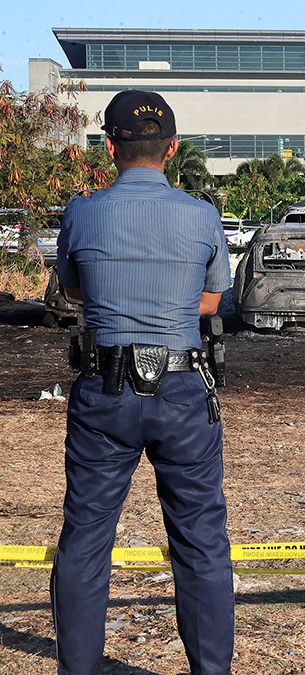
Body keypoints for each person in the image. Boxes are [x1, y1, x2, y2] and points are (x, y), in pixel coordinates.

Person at [52, 90, 234, 674]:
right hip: (181, 389)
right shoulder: (202, 215)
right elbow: (209, 301)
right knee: (201, 542)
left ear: (109, 147)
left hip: (103, 390)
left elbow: (74, 290)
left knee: (85, 541)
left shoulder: (82, 212)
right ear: (172, 149)